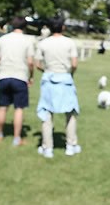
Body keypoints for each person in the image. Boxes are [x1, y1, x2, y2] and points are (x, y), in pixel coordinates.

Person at [35, 17, 81, 158]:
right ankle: (71, 145)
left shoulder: (43, 43)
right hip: (65, 79)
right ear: (63, 27)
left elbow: (37, 64)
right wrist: (69, 74)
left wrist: (47, 71)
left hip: (49, 79)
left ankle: (47, 147)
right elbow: (74, 64)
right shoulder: (69, 42)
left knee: (47, 114)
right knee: (70, 113)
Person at [0, 16, 34, 147]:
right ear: (25, 26)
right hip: (20, 76)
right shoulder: (27, 41)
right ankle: (17, 138)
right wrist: (31, 76)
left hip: (4, 75)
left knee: (2, 107)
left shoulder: (2, 39)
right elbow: (30, 62)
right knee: (19, 108)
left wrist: (0, 69)